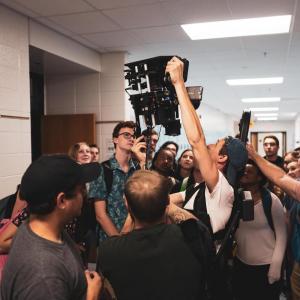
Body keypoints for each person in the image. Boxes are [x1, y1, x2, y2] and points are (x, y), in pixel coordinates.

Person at [1, 154, 102, 300]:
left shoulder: (39, 227)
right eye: (81, 190)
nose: (84, 195)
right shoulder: (44, 275)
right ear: (61, 201)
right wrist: (92, 295)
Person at [166, 57, 248, 235]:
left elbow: (197, 141)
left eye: (214, 145)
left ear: (222, 157)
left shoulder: (222, 189)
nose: (208, 146)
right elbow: (162, 201)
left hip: (201, 262)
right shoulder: (199, 187)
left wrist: (179, 83)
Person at [97, 170, 208, 300]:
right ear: (167, 200)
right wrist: (167, 203)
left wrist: (132, 208)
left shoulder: (109, 250)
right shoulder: (192, 236)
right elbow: (196, 225)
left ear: (126, 204)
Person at [232, 160, 287, 300]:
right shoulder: (236, 198)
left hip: (265, 266)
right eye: (243, 170)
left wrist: (275, 267)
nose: (245, 173)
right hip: (241, 264)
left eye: (250, 171)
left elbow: (282, 236)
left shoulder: (271, 200)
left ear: (259, 177)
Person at [88, 121, 144, 242]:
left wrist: (143, 162)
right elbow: (100, 214)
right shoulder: (102, 169)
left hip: (136, 238)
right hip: (110, 240)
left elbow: (147, 200)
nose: (131, 139)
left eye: (133, 136)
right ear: (115, 140)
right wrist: (118, 241)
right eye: (126, 135)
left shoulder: (138, 168)